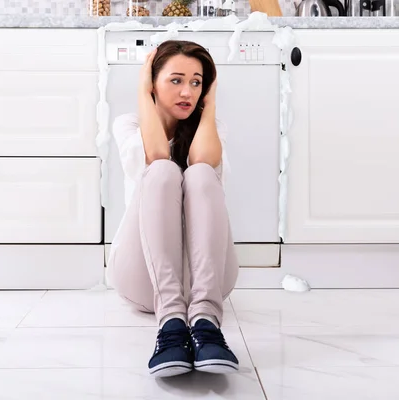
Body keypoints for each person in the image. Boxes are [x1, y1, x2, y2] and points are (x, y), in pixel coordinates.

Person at [107, 40, 240, 378]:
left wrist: (209, 109)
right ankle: (171, 323)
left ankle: (206, 321)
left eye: (197, 82)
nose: (188, 91)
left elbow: (203, 163)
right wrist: (143, 91)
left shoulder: (211, 129)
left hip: (209, 280)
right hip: (142, 279)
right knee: (163, 171)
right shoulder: (128, 125)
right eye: (176, 80)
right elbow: (156, 157)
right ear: (153, 83)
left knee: (199, 173)